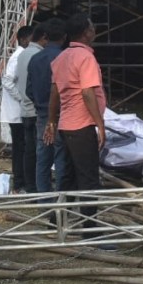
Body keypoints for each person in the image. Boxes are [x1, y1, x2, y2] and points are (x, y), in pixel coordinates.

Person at [44, 13, 107, 230]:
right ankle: (90, 229)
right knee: (89, 179)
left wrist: (51, 121)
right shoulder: (85, 58)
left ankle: (57, 221)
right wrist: (100, 124)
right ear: (86, 33)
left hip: (65, 126)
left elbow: (54, 92)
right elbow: (87, 92)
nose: (94, 31)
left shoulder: (61, 57)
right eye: (92, 28)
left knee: (68, 176)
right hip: (82, 125)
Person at [26, 18, 70, 197]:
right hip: (63, 114)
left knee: (43, 159)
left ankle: (44, 200)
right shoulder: (64, 57)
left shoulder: (35, 59)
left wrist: (39, 103)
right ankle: (61, 199)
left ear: (46, 36)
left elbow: (28, 90)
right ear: (64, 36)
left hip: (42, 114)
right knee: (61, 158)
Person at [1, 26, 34, 193]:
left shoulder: (24, 55)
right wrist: (22, 98)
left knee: (23, 147)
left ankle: (22, 180)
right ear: (23, 40)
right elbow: (6, 81)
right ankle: (19, 183)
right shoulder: (18, 56)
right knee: (21, 148)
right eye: (31, 39)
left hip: (20, 110)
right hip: (17, 110)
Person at [13, 25, 44, 194]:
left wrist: (22, 97)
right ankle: (35, 186)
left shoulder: (23, 54)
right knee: (38, 152)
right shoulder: (38, 55)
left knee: (29, 151)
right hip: (35, 110)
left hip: (26, 109)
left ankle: (30, 185)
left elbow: (18, 80)